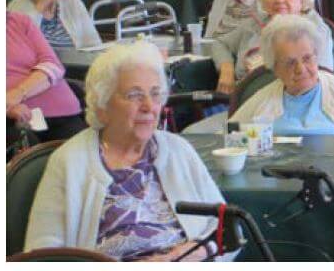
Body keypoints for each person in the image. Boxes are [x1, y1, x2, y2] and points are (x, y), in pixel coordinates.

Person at [24, 41, 226, 261]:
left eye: (156, 93)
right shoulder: (70, 161)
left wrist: (198, 252)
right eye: (134, 95)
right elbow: (41, 256)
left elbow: (226, 228)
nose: (149, 106)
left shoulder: (178, 150)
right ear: (102, 106)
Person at [231, 14, 334, 135]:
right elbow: (230, 135)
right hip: (278, 169)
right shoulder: (264, 98)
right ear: (275, 68)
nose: (300, 69)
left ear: (316, 55)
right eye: (290, 62)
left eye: (307, 58)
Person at [211, 0, 334, 93]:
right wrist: (226, 68)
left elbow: (322, 77)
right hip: (244, 99)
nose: (279, 0)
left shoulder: (314, 30)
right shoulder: (253, 24)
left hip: (292, 101)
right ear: (263, 1)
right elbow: (220, 43)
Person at [6, 11, 87, 148]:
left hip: (60, 108)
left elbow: (53, 65)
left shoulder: (19, 21)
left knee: (85, 158)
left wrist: (18, 93)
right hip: (12, 121)